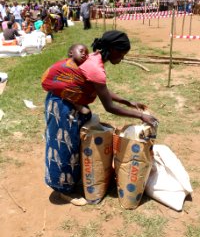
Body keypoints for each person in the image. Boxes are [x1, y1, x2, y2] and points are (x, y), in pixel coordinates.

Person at [41, 30, 158, 202]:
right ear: (112, 49)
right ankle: (64, 190)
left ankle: (73, 179)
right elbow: (109, 107)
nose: (123, 57)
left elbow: (100, 88)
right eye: (122, 53)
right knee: (64, 147)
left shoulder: (94, 58)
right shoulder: (95, 66)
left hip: (67, 103)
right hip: (63, 106)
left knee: (75, 143)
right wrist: (140, 116)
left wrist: (127, 102)